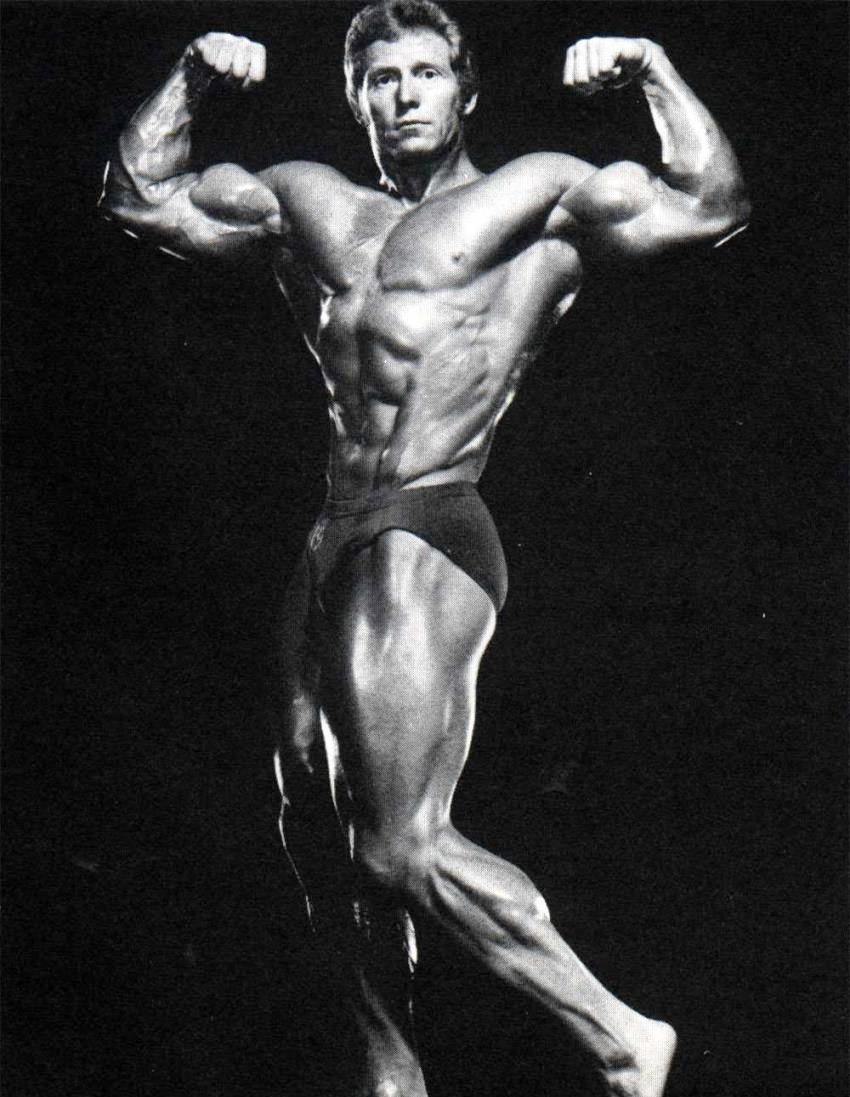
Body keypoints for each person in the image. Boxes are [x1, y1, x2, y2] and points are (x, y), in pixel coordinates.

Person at [100, 3, 748, 1095]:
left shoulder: (534, 195)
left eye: (427, 73)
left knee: (399, 842)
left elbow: (709, 202)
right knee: (315, 822)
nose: (405, 94)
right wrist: (192, 77)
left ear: (465, 90)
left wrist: (652, 68)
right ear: (356, 96)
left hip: (430, 517)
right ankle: (389, 1071)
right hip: (332, 533)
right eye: (382, 78)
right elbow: (139, 196)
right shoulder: (308, 202)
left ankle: (624, 1037)